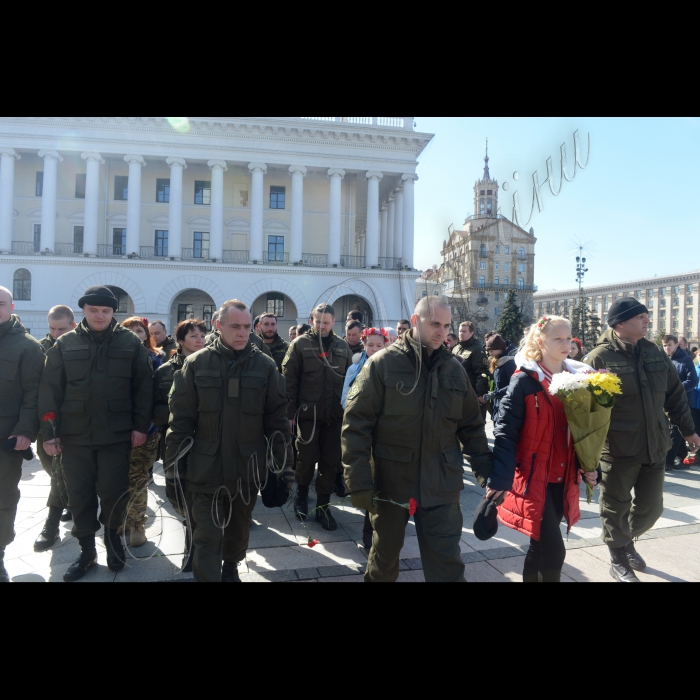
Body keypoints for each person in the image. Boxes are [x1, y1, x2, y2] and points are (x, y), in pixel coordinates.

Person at [342, 297, 493, 583]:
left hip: (441, 483)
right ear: (415, 321)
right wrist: (359, 481)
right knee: (383, 560)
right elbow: (356, 426)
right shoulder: (382, 364)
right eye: (434, 323)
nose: (442, 332)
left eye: (446, 325)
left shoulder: (455, 369)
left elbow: (472, 427)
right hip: (392, 483)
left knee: (447, 563)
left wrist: (488, 473)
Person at [166, 300, 291, 583]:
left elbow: (278, 424)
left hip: (246, 469)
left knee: (237, 530)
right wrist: (174, 472)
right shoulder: (195, 365)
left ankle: (231, 566)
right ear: (218, 325)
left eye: (247, 327)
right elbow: (180, 424)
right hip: (204, 469)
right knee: (206, 538)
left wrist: (283, 469)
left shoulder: (266, 366)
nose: (242, 333)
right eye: (235, 326)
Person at [39, 286, 154, 582]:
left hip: (115, 437)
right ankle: (86, 551)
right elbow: (50, 391)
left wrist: (140, 426)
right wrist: (49, 434)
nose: (100, 316)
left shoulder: (130, 343)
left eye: (105, 311)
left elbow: (144, 388)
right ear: (84, 312)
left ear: (113, 312)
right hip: (75, 437)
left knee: (114, 494)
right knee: (79, 496)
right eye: (93, 311)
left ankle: (114, 543)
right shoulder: (65, 344)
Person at [583, 298, 700, 583]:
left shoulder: (655, 353)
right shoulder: (598, 358)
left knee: (652, 507)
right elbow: (586, 412)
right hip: (619, 448)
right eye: (641, 317)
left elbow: (674, 395)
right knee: (615, 505)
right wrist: (585, 455)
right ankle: (617, 557)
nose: (648, 321)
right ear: (621, 323)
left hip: (655, 444)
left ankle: (623, 540)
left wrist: (688, 430)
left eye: (647, 316)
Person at [487, 316, 593, 583]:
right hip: (535, 479)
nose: (566, 344)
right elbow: (506, 431)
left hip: (564, 477)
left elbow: (587, 432)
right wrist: (499, 478)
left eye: (568, 338)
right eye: (558, 338)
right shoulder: (524, 380)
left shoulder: (579, 378)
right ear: (539, 341)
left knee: (540, 546)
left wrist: (592, 467)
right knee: (555, 552)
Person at [283, 304, 351, 530]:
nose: (322, 326)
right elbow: (289, 382)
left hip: (334, 417)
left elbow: (351, 383)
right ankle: (301, 497)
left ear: (333, 323)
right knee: (306, 459)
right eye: (318, 321)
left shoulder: (343, 347)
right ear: (312, 320)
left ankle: (323, 506)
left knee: (330, 463)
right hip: (307, 416)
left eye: (327, 322)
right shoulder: (299, 345)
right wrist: (290, 415)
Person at [153, 319, 207, 572]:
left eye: (201, 335)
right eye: (192, 335)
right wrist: (181, 413)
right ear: (181, 340)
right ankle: (190, 544)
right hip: (176, 442)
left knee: (203, 497)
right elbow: (154, 410)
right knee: (181, 495)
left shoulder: (213, 365)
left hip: (208, 443)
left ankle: (200, 548)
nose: (198, 339)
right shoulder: (165, 371)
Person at [0, 287, 45, 583]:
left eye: (0, 304)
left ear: (12, 306)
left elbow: (34, 394)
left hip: (5, 440)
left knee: (3, 499)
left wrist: (25, 431)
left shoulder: (27, 346)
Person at [341, 327, 389, 550]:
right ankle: (368, 533)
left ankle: (381, 529)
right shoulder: (355, 368)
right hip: (364, 433)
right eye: (370, 345)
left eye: (379, 345)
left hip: (387, 435)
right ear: (364, 345)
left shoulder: (393, 368)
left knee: (384, 481)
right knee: (368, 480)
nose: (375, 349)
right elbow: (345, 400)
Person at [34, 306, 76, 553]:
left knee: (61, 474)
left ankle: (51, 524)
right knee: (53, 471)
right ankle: (68, 501)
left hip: (74, 423)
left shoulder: (79, 345)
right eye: (52, 328)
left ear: (72, 325)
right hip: (46, 424)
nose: (56, 333)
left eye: (61, 328)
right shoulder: (39, 348)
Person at [119, 317, 164, 547]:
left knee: (137, 478)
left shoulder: (155, 360)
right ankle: (123, 518)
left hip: (145, 431)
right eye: (130, 330)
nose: (136, 334)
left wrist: (144, 426)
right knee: (117, 479)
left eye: (140, 331)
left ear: (147, 335)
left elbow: (155, 398)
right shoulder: (113, 359)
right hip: (116, 431)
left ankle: (137, 523)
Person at [662, 335, 699, 471]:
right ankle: (682, 456)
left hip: (683, 400)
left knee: (675, 431)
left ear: (677, 345)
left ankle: (668, 461)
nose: (667, 348)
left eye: (670, 345)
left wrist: (677, 389)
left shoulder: (685, 359)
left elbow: (693, 380)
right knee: (675, 430)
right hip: (667, 400)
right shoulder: (665, 359)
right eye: (664, 346)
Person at [479, 335, 516, 426]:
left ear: (500, 348)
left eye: (491, 351)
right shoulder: (499, 361)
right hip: (497, 406)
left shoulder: (509, 363)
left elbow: (513, 386)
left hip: (506, 407)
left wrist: (495, 394)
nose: (490, 354)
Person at [453, 322, 490, 400]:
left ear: (471, 333)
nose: (461, 334)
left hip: (470, 392)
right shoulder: (456, 348)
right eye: (460, 331)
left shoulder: (477, 349)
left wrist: (480, 393)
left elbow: (482, 373)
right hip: (456, 391)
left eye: (464, 331)